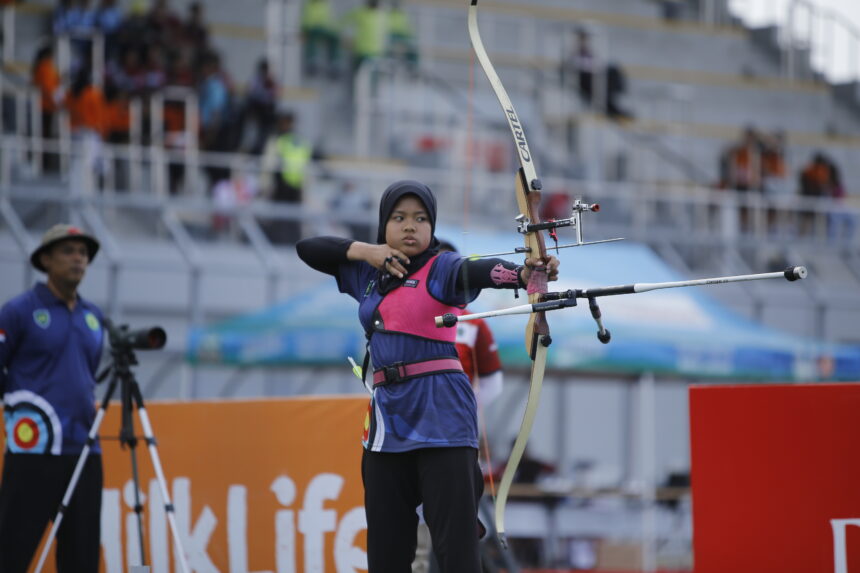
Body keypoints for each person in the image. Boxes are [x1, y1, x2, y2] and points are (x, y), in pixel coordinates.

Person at [296, 180, 559, 571]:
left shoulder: (443, 268)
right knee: (386, 553)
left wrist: (525, 275)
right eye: (399, 218)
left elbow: (481, 271)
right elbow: (308, 249)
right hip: (389, 424)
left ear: (432, 228)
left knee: (456, 553)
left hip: (443, 420)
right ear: (384, 225)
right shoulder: (365, 275)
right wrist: (368, 252)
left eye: (421, 219)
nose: (410, 227)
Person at [0, 224, 105, 573]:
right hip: (34, 449)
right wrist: (16, 412)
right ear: (45, 260)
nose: (78, 259)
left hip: (85, 451)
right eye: (68, 251)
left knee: (82, 555)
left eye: (83, 253)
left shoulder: (95, 317)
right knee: (12, 549)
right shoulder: (18, 311)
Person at [412, 239, 505, 573]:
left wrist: (457, 413)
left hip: (453, 437)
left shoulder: (473, 320)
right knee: (413, 534)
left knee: (456, 529)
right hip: (405, 434)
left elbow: (492, 384)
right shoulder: (401, 310)